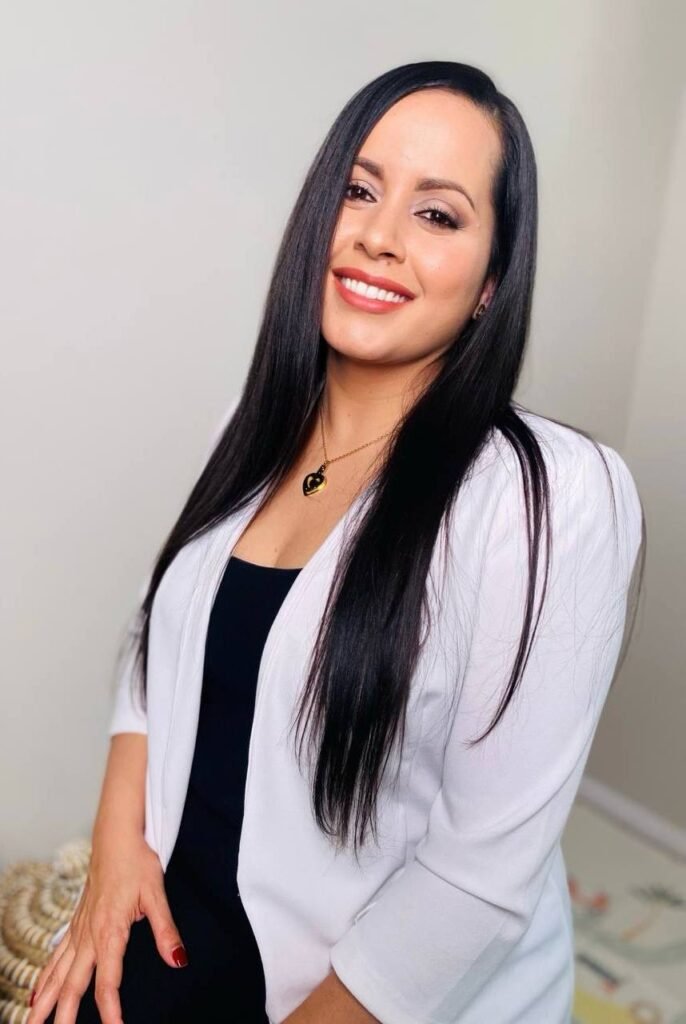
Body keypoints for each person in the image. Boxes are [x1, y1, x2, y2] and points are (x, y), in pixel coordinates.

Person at [30, 60, 644, 1024]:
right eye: (358, 191)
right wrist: (115, 848)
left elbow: (475, 879)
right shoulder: (255, 422)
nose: (378, 235)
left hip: (368, 988)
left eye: (436, 214)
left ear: (492, 281)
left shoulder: (550, 494)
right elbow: (158, 639)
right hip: (185, 912)